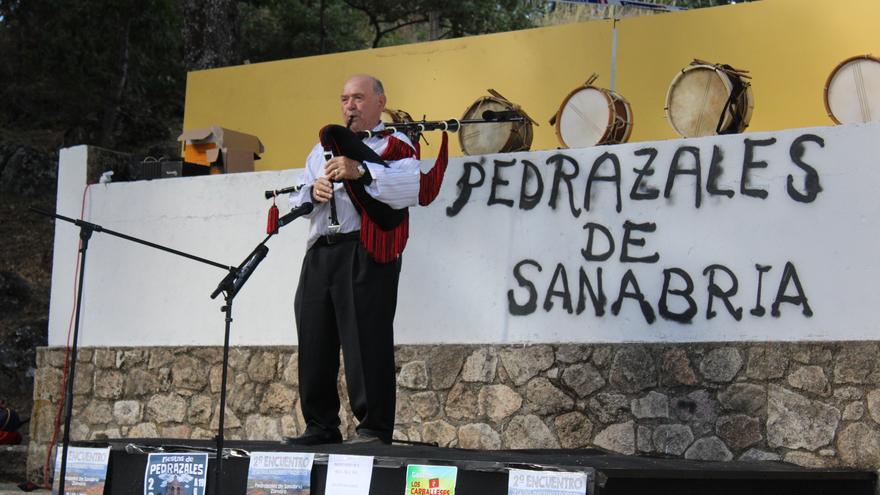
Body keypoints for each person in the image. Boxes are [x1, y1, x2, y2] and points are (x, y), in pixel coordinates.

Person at [285, 75, 420, 445]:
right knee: (314, 336)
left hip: (366, 249)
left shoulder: (397, 144)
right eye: (345, 99)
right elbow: (298, 197)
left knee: (366, 338)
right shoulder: (321, 149)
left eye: (359, 98)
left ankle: (373, 427)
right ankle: (320, 424)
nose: (350, 106)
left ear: (380, 101)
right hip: (320, 251)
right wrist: (313, 191)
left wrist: (360, 171)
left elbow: (411, 187)